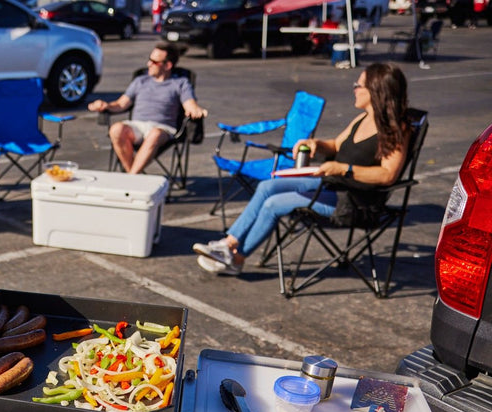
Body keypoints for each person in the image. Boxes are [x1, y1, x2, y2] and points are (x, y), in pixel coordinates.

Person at [195, 62, 410, 276]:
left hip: (355, 201)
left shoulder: (395, 128)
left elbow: (388, 174)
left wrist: (343, 168)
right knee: (267, 186)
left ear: (376, 90)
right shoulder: (363, 118)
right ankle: (227, 244)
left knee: (273, 204)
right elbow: (336, 145)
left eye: (359, 85)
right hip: (332, 185)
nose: (354, 88)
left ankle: (236, 259)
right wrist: (316, 144)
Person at [87, 42, 207, 175]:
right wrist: (106, 105)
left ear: (167, 65)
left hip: (163, 129)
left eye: (154, 62)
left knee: (154, 134)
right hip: (137, 127)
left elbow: (189, 104)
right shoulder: (140, 81)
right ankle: (134, 175)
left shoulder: (180, 83)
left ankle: (131, 177)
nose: (148, 64)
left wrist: (195, 110)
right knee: (116, 129)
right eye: (149, 60)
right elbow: (121, 104)